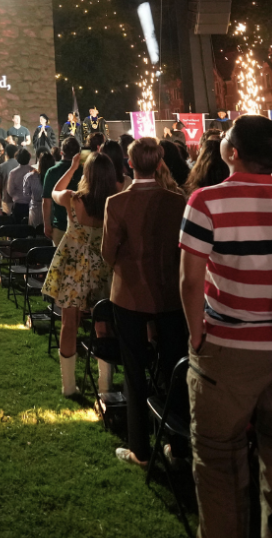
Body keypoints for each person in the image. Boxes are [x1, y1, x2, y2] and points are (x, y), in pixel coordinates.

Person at [179, 114, 272, 538]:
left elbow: (190, 280)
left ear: (232, 152)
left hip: (227, 349)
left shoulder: (206, 201)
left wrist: (197, 335)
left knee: (218, 466)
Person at [102, 137, 188, 468]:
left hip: (130, 294)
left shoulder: (117, 203)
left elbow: (108, 253)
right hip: (170, 294)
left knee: (134, 369)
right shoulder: (177, 201)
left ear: (130, 164)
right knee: (173, 368)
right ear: (160, 163)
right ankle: (177, 447)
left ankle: (139, 447)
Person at [43, 151, 114, 396]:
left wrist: (72, 168)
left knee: (69, 323)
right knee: (103, 325)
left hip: (72, 267)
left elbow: (54, 191)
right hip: (101, 267)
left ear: (87, 174)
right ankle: (105, 387)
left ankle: (69, 386)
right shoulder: (113, 203)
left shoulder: (72, 199)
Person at [42, 137, 83, 246]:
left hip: (60, 225)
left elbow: (46, 201)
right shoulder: (84, 170)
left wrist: (47, 224)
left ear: (61, 152)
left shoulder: (52, 171)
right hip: (82, 225)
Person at [24, 150, 54, 229]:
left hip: (35, 210)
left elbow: (26, 194)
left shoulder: (30, 176)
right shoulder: (56, 177)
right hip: (52, 210)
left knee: (34, 232)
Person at [5, 148, 34, 222]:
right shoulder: (34, 172)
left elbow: (10, 190)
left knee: (17, 226)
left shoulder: (13, 173)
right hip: (31, 204)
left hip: (18, 204)